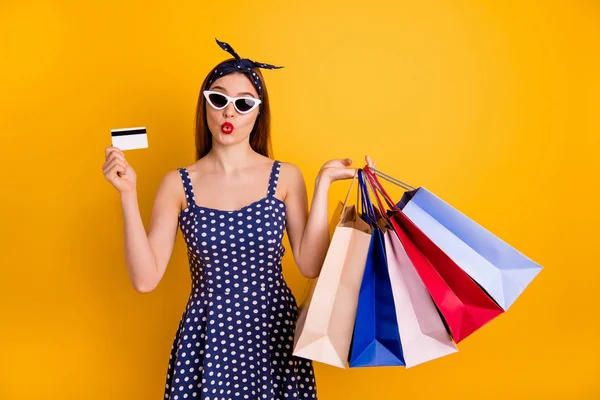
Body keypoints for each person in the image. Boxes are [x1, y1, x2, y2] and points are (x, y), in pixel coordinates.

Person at [102, 38, 375, 400]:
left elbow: (310, 265)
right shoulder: (178, 184)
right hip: (206, 341)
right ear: (205, 107)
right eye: (219, 99)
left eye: (243, 104)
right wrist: (127, 194)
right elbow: (145, 279)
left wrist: (322, 183)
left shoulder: (285, 177)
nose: (229, 113)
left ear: (258, 113)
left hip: (273, 337)